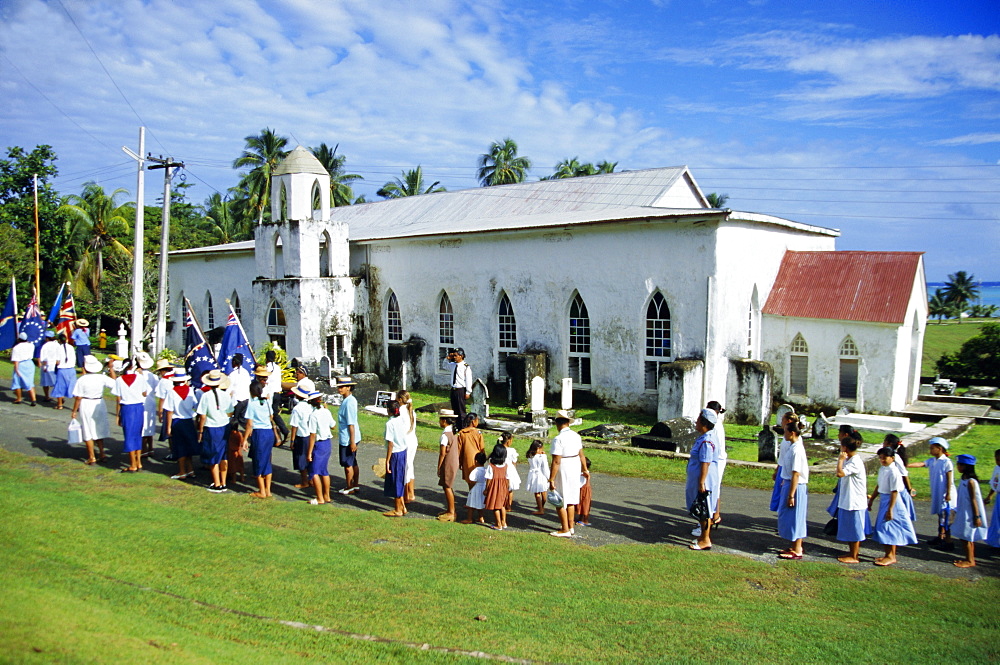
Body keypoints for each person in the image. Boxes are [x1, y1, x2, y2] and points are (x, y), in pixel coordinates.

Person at [868, 447, 918, 566]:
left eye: (884, 458)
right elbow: (879, 486)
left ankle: (891, 556)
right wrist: (872, 499)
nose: (882, 460)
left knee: (887, 528)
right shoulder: (883, 469)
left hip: (893, 502)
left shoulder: (894, 471)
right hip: (885, 499)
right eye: (880, 458)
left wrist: (890, 509)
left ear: (892, 458)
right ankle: (888, 554)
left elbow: (894, 491)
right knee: (886, 528)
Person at [907, 436, 956, 550]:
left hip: (946, 494)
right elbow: (921, 464)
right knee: (940, 516)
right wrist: (906, 465)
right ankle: (940, 537)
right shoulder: (933, 460)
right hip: (938, 493)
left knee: (946, 518)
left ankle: (948, 542)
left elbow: (949, 479)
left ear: (939, 448)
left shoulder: (946, 462)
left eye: (932, 448)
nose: (930, 450)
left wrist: (948, 493)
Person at [69, 355, 116, 464]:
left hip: (86, 403)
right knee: (98, 428)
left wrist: (74, 410)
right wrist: (111, 369)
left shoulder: (82, 380)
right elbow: (114, 383)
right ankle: (102, 452)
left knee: (88, 429)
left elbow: (78, 397)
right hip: (99, 403)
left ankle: (92, 456)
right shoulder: (101, 377)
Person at [548, 410, 588, 537]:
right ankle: (570, 526)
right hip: (574, 464)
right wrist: (585, 469)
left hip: (564, 466)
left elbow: (556, 461)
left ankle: (565, 529)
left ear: (557, 424)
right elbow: (581, 454)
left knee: (558, 498)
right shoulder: (576, 436)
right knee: (570, 498)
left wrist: (551, 479)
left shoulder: (558, 439)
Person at [196, 369, 234, 492]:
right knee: (223, 454)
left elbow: (202, 415)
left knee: (213, 455)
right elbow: (230, 411)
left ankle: (217, 483)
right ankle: (223, 481)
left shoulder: (205, 396)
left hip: (212, 427)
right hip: (224, 425)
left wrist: (200, 430)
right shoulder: (225, 395)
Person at [687, 408, 719, 550]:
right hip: (701, 477)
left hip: (704, 478)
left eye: (698, 420)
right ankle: (702, 537)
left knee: (704, 507)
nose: (696, 422)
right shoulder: (706, 436)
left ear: (704, 423)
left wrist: (701, 482)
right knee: (702, 507)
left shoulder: (707, 440)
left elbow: (705, 462)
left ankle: (705, 539)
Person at [777, 420, 808, 559]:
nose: (784, 433)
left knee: (796, 518)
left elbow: (796, 473)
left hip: (795, 486)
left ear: (792, 433)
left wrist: (791, 495)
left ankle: (797, 549)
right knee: (789, 517)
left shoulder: (797, 450)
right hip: (789, 483)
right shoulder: (792, 446)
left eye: (785, 431)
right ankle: (795, 545)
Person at [241, 379, 278, 498]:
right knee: (267, 459)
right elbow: (271, 416)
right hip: (268, 433)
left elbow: (249, 424)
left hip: (259, 433)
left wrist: (245, 439)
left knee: (258, 460)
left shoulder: (252, 404)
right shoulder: (266, 402)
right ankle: (267, 489)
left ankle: (261, 491)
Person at [835, 436, 868, 563]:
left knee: (855, 529)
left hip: (855, 501)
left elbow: (840, 473)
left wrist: (840, 460)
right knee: (849, 527)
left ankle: (855, 556)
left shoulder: (855, 462)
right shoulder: (851, 460)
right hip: (848, 499)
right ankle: (851, 552)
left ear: (844, 448)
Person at [163, 367, 199, 480]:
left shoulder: (172, 393)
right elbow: (195, 406)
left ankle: (182, 471)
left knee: (180, 447)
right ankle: (190, 469)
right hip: (188, 421)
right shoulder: (190, 391)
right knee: (188, 446)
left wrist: (168, 427)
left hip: (177, 421)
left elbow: (169, 411)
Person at [952, 454, 988, 568]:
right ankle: (968, 558)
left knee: (966, 537)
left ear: (967, 466)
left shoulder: (971, 482)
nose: (958, 467)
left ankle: (970, 560)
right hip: (963, 511)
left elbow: (974, 500)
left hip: (970, 514)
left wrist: (977, 517)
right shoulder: (964, 479)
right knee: (964, 537)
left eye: (960, 465)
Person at [113, 358, 147, 473]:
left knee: (129, 435)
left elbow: (118, 399)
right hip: (139, 407)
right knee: (138, 434)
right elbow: (145, 392)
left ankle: (133, 464)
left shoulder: (119, 380)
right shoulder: (140, 378)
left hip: (127, 408)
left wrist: (117, 415)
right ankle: (138, 462)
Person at [306, 391, 335, 505]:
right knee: (324, 470)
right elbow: (333, 426)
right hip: (327, 443)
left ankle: (319, 498)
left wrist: (309, 452)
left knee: (314, 471)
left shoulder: (313, 415)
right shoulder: (326, 411)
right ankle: (327, 495)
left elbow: (312, 434)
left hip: (319, 444)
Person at [334, 376, 361, 495]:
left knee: (347, 463)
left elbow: (351, 424)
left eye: (342, 387)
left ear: (349, 387)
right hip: (349, 436)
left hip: (348, 438)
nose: (340, 389)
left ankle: (350, 486)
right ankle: (355, 485)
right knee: (353, 461)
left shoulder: (349, 402)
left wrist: (352, 441)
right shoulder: (349, 400)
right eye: (339, 387)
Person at [382, 400, 409, 516]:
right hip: (403, 451)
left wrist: (387, 460)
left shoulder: (390, 423)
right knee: (400, 478)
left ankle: (397, 509)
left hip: (396, 453)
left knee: (395, 480)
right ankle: (402, 506)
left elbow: (390, 443)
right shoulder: (401, 419)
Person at [770, 410, 800, 512]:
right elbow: (782, 457)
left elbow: (789, 459)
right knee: (778, 494)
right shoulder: (786, 436)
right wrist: (777, 469)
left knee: (783, 495)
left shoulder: (792, 439)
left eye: (783, 419)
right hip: (782, 468)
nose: (781, 422)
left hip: (786, 470)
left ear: (788, 421)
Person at [287, 383, 316, 489]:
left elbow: (294, 426)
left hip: (301, 436)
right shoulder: (311, 407)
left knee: (301, 459)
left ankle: (304, 481)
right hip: (311, 435)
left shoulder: (297, 409)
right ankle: (312, 479)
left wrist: (292, 440)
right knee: (310, 457)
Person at [883, 433, 917, 522]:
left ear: (889, 444)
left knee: (900, 516)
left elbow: (904, 474)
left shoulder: (895, 458)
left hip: (899, 491)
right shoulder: (888, 457)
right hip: (893, 489)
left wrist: (909, 489)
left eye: (884, 442)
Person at [435, 408, 460, 522]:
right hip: (454, 461)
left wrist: (439, 466)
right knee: (447, 485)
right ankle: (450, 509)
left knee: (447, 486)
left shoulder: (445, 435)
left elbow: (442, 453)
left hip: (448, 462)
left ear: (444, 421)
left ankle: (451, 512)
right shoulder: (454, 433)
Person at [706, 400, 726, 526]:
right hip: (716, 458)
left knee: (712, 488)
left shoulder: (716, 425)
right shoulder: (715, 424)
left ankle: (712, 516)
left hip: (716, 459)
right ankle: (715, 515)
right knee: (714, 488)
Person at [396, 389, 419, 503]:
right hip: (413, 441)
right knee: (410, 466)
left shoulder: (400, 411)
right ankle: (411, 493)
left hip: (405, 442)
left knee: (404, 467)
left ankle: (406, 495)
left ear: (400, 399)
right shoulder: (411, 411)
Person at [263, 350, 289, 445]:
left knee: (271, 414)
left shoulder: (267, 368)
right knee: (274, 413)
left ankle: (281, 432)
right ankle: (279, 432)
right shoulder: (277, 367)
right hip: (278, 392)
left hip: (270, 393)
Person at [136, 352, 158, 458]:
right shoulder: (153, 376)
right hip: (151, 401)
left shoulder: (137, 375)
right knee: (150, 424)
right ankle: (151, 448)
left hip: (141, 401)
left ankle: (144, 448)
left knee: (143, 425)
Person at [484, 443, 509, 530]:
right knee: (502, 505)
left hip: (494, 487)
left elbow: (489, 478)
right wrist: (507, 488)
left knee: (495, 506)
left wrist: (486, 489)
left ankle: (498, 524)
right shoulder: (506, 465)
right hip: (503, 487)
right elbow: (507, 478)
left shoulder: (491, 466)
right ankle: (504, 522)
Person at [153, 359, 175, 457]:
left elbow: (162, 398)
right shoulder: (176, 377)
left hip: (168, 407)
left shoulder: (164, 381)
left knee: (169, 431)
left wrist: (160, 412)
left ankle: (173, 452)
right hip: (180, 407)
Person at [457, 412, 485, 488]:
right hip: (477, 460)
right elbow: (482, 448)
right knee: (478, 480)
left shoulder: (462, 433)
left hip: (466, 459)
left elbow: (459, 449)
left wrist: (459, 462)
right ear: (473, 421)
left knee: (470, 480)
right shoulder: (478, 433)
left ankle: (471, 496)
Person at [49, 332, 77, 410]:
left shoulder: (58, 348)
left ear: (59, 340)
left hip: (62, 370)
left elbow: (57, 361)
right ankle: (78, 405)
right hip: (71, 370)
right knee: (73, 387)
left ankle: (60, 405)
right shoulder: (71, 347)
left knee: (60, 387)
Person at [9, 332, 38, 406]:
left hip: (21, 364)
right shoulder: (31, 345)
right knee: (29, 381)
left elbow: (16, 360)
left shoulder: (16, 347)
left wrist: (16, 369)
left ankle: (19, 398)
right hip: (29, 363)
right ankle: (33, 399)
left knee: (17, 381)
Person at [226, 353, 252, 430]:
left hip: (238, 400)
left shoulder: (233, 374)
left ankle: (244, 432)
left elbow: (229, 388)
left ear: (234, 362)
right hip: (246, 398)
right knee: (242, 418)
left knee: (235, 420)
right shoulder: (246, 372)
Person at [525, 439, 549, 515]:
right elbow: (545, 467)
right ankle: (542, 506)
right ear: (538, 448)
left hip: (534, 474)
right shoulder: (542, 457)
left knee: (537, 493)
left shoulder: (529, 455)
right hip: (541, 474)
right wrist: (548, 476)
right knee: (543, 491)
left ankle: (540, 507)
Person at [448, 347, 473, 423]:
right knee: (454, 408)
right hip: (454, 389)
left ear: (461, 356)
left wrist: (468, 392)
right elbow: (444, 365)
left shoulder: (465, 367)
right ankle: (456, 424)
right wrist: (448, 358)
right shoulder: (453, 365)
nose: (454, 357)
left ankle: (463, 425)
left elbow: (468, 380)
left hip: (460, 389)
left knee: (461, 409)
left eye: (456, 355)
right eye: (454, 356)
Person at [462, 452, 488, 524]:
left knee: (471, 505)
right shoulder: (486, 470)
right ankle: (481, 518)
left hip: (476, 488)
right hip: (483, 487)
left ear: (476, 461)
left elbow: (472, 480)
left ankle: (469, 519)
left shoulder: (475, 470)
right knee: (481, 504)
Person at [500, 431, 520, 510]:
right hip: (510, 469)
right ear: (509, 440)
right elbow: (514, 462)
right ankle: (508, 505)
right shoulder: (512, 450)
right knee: (510, 489)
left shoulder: (498, 448)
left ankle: (503, 504)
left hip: (501, 468)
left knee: (502, 488)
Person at [38, 330, 59, 402]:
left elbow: (43, 358)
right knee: (56, 382)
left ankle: (47, 396)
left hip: (47, 366)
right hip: (55, 366)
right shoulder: (57, 345)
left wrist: (43, 366)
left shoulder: (45, 346)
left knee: (45, 382)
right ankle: (60, 398)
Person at [986, 449, 1000, 549]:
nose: (998, 462)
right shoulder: (997, 468)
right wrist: (989, 496)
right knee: (996, 520)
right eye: (997, 459)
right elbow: (995, 483)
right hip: (999, 497)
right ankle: (995, 541)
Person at [577, 458, 593, 526]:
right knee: (583, 505)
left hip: (584, 490)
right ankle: (581, 518)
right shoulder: (583, 473)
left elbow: (581, 483)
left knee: (584, 505)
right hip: (583, 490)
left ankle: (585, 520)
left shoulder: (584, 474)